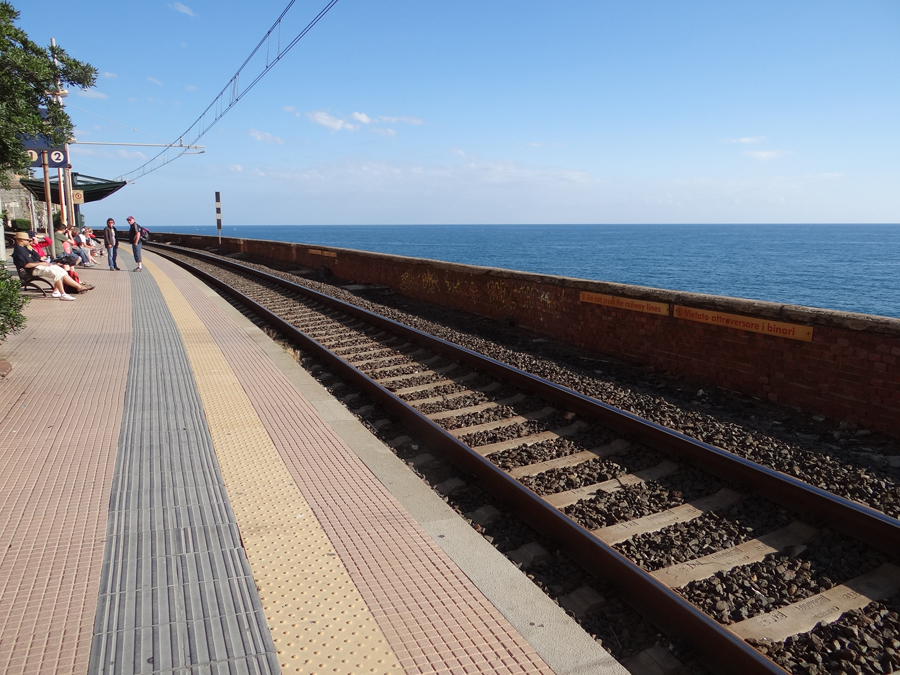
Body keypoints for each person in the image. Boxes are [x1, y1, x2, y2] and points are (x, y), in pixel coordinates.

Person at [11, 232, 94, 300]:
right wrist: (41, 263)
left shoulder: (26, 248)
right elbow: (26, 265)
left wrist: (32, 250)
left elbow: (37, 257)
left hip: (37, 266)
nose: (30, 241)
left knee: (61, 270)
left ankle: (77, 287)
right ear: (22, 240)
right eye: (28, 240)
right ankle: (63, 294)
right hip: (32, 270)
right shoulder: (19, 251)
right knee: (56, 272)